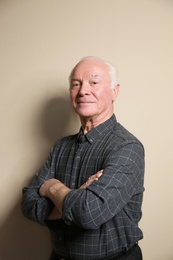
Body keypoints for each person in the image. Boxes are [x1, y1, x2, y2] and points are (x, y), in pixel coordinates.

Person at [21, 56, 145, 260]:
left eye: (94, 82)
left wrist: (52, 187)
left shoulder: (127, 147)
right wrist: (78, 196)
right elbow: (28, 204)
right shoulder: (60, 147)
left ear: (115, 91)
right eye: (75, 84)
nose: (83, 91)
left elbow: (88, 214)